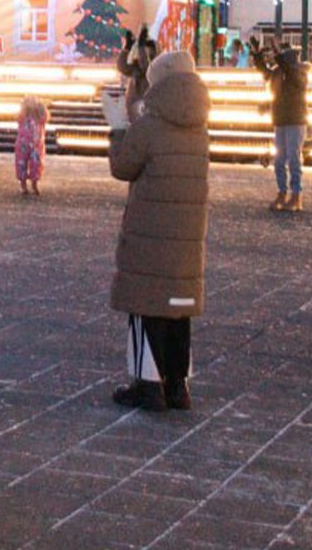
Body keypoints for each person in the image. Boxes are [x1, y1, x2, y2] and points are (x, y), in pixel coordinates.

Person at [109, 49, 210, 413]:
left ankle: (148, 385)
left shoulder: (149, 127)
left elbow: (123, 167)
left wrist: (119, 127)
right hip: (187, 237)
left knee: (146, 305)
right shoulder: (200, 128)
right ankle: (178, 385)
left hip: (150, 234)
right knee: (178, 308)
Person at [250, 37, 310, 211]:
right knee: (280, 160)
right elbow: (265, 72)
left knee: (293, 158)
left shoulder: (298, 74)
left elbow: (287, 72)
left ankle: (296, 194)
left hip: (296, 119)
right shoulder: (280, 72)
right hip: (281, 119)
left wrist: (276, 55)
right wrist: (256, 54)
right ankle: (283, 192)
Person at [14, 96, 48, 196]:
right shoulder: (23, 115)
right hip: (23, 143)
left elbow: (45, 118)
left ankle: (34, 183)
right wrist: (23, 107)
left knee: (36, 164)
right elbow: (17, 117)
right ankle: (23, 183)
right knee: (21, 163)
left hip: (36, 144)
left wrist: (41, 107)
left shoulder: (39, 116)